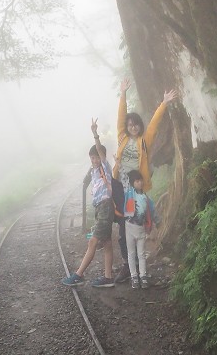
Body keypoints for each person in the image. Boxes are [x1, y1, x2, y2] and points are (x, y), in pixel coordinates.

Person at [112, 77, 178, 283]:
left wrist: (164, 103)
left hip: (135, 189)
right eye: (130, 125)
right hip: (119, 187)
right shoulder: (122, 138)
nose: (133, 127)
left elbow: (153, 126)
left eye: (136, 125)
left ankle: (139, 265)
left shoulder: (144, 141)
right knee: (123, 227)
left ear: (139, 126)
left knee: (137, 223)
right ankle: (127, 265)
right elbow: (121, 115)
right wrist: (122, 93)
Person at [61, 118, 115, 288]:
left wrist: (95, 133)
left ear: (101, 157)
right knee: (106, 243)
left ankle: (78, 274)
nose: (94, 160)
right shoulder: (93, 171)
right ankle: (108, 278)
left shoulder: (105, 167)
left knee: (93, 242)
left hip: (106, 208)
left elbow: (99, 148)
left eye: (96, 157)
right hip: (100, 209)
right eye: (92, 157)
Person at [124, 169, 160, 289]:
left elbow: (153, 211)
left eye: (141, 181)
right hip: (129, 227)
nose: (140, 183)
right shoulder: (129, 193)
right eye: (137, 181)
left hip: (141, 229)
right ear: (132, 183)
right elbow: (124, 178)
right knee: (131, 253)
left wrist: (157, 221)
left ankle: (143, 276)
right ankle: (134, 276)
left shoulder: (146, 198)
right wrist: (119, 166)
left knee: (141, 254)